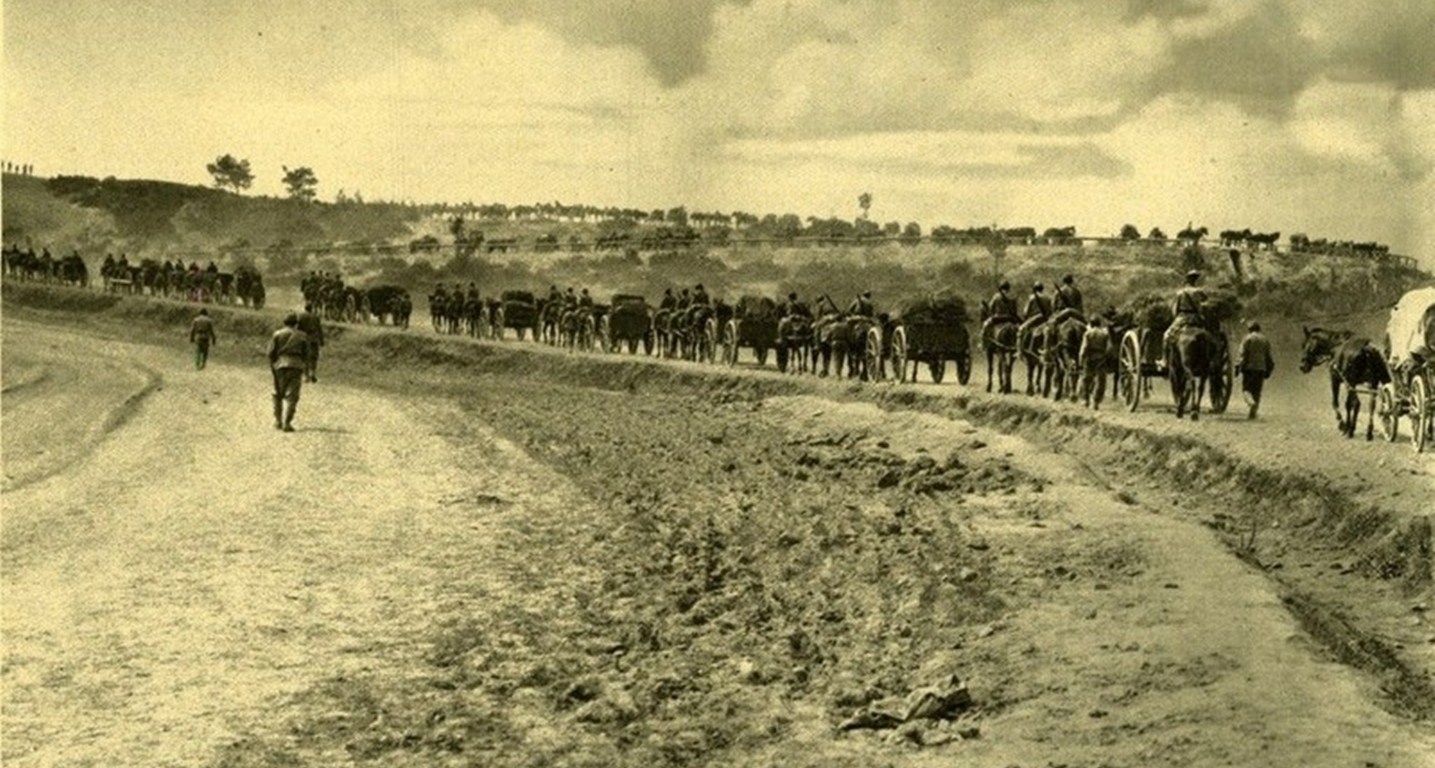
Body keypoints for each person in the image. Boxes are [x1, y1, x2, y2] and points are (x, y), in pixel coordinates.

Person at [268, 313, 310, 432]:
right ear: (296, 323)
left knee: (277, 393)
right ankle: (287, 423)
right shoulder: (303, 336)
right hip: (296, 366)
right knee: (292, 395)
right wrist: (305, 369)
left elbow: (270, 353)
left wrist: (273, 366)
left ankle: (278, 421)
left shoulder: (277, 334)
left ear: (284, 322)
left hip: (280, 365)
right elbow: (307, 354)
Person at [1163, 270, 1207, 370]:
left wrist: (1175, 318)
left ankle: (1164, 360)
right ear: (1195, 280)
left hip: (1183, 317)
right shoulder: (1198, 292)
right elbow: (1200, 307)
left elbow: (1175, 310)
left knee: (1166, 336)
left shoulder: (1180, 293)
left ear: (1187, 280)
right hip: (1196, 318)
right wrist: (1201, 316)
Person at [1237, 321, 1275, 419]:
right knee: (1257, 391)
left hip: (1249, 368)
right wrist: (1270, 368)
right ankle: (1252, 413)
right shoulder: (1264, 339)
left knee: (1246, 389)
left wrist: (1238, 366)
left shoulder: (1247, 338)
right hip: (1261, 368)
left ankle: (1251, 402)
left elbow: (1242, 353)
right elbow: (1268, 356)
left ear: (1250, 329)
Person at [1078, 315, 1111, 409]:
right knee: (1101, 380)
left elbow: (1084, 348)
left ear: (1091, 324)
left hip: (1090, 358)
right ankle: (1096, 401)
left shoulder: (1088, 333)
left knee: (1086, 379)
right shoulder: (1105, 334)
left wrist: (1081, 360)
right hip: (1101, 358)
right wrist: (1105, 356)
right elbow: (1109, 348)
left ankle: (1085, 400)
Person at [297, 303, 325, 383]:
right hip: (314, 339)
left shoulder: (301, 316)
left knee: (305, 357)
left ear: (305, 308)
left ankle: (306, 375)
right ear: (311, 309)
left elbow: (298, 328)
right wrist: (321, 340)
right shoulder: (315, 317)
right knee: (314, 357)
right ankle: (313, 373)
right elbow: (319, 329)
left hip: (305, 338)